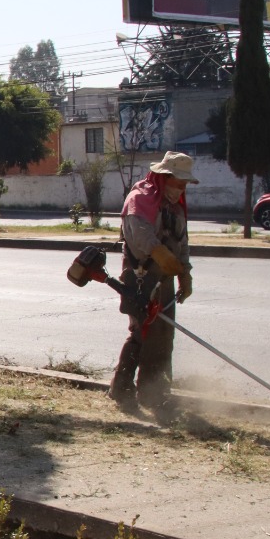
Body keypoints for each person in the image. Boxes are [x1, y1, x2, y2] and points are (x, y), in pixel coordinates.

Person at [109, 152, 197, 416]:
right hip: (141, 276)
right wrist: (158, 252)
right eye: (178, 183)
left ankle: (155, 392)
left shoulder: (176, 206)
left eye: (184, 185)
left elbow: (182, 244)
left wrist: (185, 273)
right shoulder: (140, 199)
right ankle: (122, 390)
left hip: (166, 279)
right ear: (163, 177)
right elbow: (138, 236)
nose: (181, 189)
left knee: (163, 335)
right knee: (141, 333)